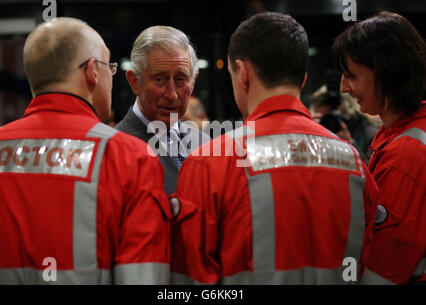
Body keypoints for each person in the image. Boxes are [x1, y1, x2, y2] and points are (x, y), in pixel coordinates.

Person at [170, 12, 379, 284]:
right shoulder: (355, 164)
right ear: (303, 80)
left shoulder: (210, 163)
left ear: (243, 74)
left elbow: (188, 282)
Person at [0, 17, 170, 284]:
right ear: (92, 71)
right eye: (109, 66)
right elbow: (144, 276)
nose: (110, 77)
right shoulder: (129, 156)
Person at [331, 11, 426, 285]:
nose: (344, 88)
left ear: (388, 74)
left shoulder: (406, 155)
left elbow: (383, 273)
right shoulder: (403, 135)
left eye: (352, 76)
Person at [115, 26, 210, 196]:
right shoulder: (113, 152)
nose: (172, 95)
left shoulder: (205, 144)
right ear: (134, 82)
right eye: (159, 79)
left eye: (181, 80)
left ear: (193, 81)